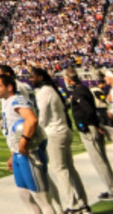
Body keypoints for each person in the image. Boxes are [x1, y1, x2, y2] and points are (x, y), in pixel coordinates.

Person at [0, 72, 56, 213]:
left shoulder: (17, 100)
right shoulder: (7, 102)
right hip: (17, 153)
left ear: (9, 87)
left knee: (41, 197)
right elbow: (12, 132)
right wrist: (12, 153)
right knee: (25, 195)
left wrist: (23, 143)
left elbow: (32, 120)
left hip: (29, 152)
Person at [30, 67, 88, 213]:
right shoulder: (52, 89)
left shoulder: (44, 92)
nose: (31, 79)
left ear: (40, 78)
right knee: (70, 169)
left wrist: (35, 134)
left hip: (55, 132)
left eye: (33, 77)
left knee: (61, 169)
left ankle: (72, 205)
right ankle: (82, 203)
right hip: (63, 129)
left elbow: (42, 117)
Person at [64, 70, 113, 203]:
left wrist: (95, 125)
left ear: (69, 79)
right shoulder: (83, 89)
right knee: (102, 160)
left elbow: (89, 111)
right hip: (92, 126)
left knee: (99, 161)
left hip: (89, 128)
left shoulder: (79, 92)